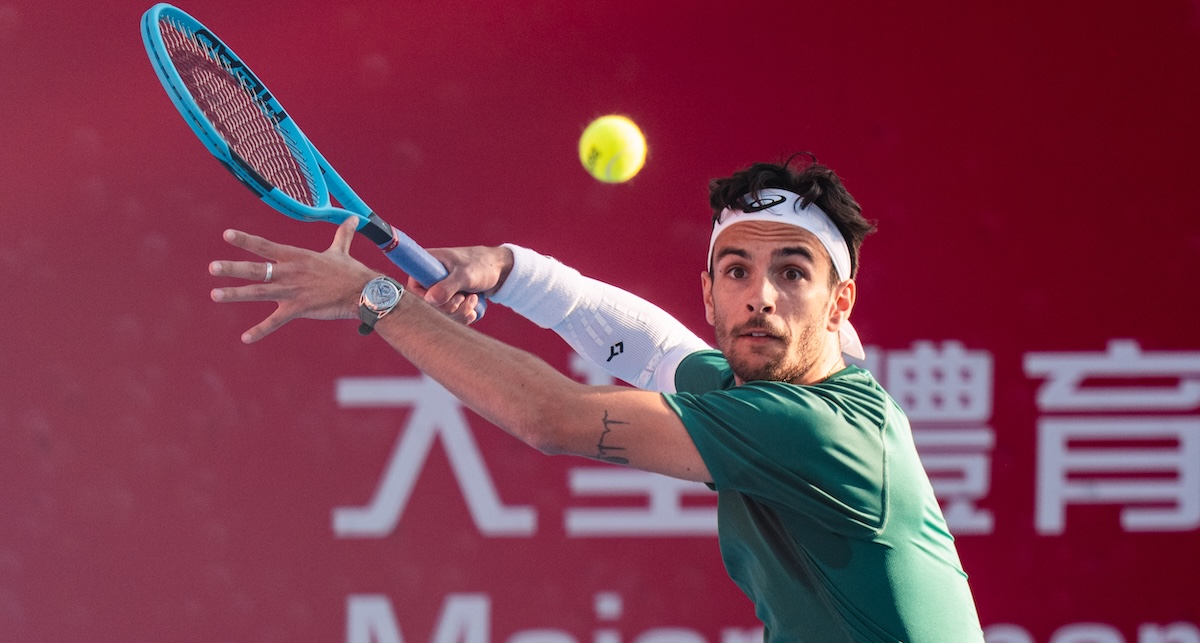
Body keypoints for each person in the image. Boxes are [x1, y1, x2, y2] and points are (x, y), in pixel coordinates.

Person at [209, 155, 984, 642]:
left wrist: (381, 298)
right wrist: (504, 268)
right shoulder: (765, 387)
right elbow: (650, 348)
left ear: (839, 301)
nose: (761, 298)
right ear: (708, 292)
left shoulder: (816, 431)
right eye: (737, 271)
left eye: (792, 272)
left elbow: (553, 418)